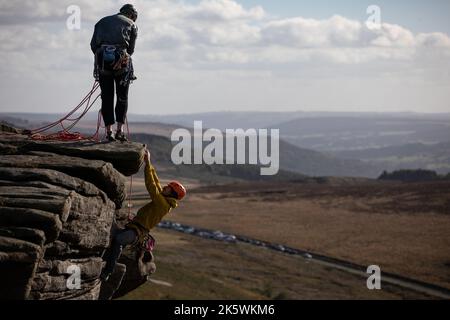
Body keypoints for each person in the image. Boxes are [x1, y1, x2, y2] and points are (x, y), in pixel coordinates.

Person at [101, 149, 187, 281]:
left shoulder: (162, 204)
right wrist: (150, 166)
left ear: (173, 194)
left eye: (169, 188)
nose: (165, 187)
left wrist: (147, 163)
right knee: (113, 239)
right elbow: (157, 184)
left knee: (118, 240)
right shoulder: (164, 200)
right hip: (134, 227)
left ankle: (108, 271)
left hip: (137, 232)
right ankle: (105, 262)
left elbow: (152, 186)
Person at [90, 4, 138, 142]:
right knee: (122, 96)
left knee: (106, 96)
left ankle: (109, 131)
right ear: (131, 15)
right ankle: (119, 131)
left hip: (103, 63)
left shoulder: (101, 22)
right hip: (122, 63)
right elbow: (131, 50)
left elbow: (93, 45)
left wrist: (103, 56)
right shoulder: (132, 24)